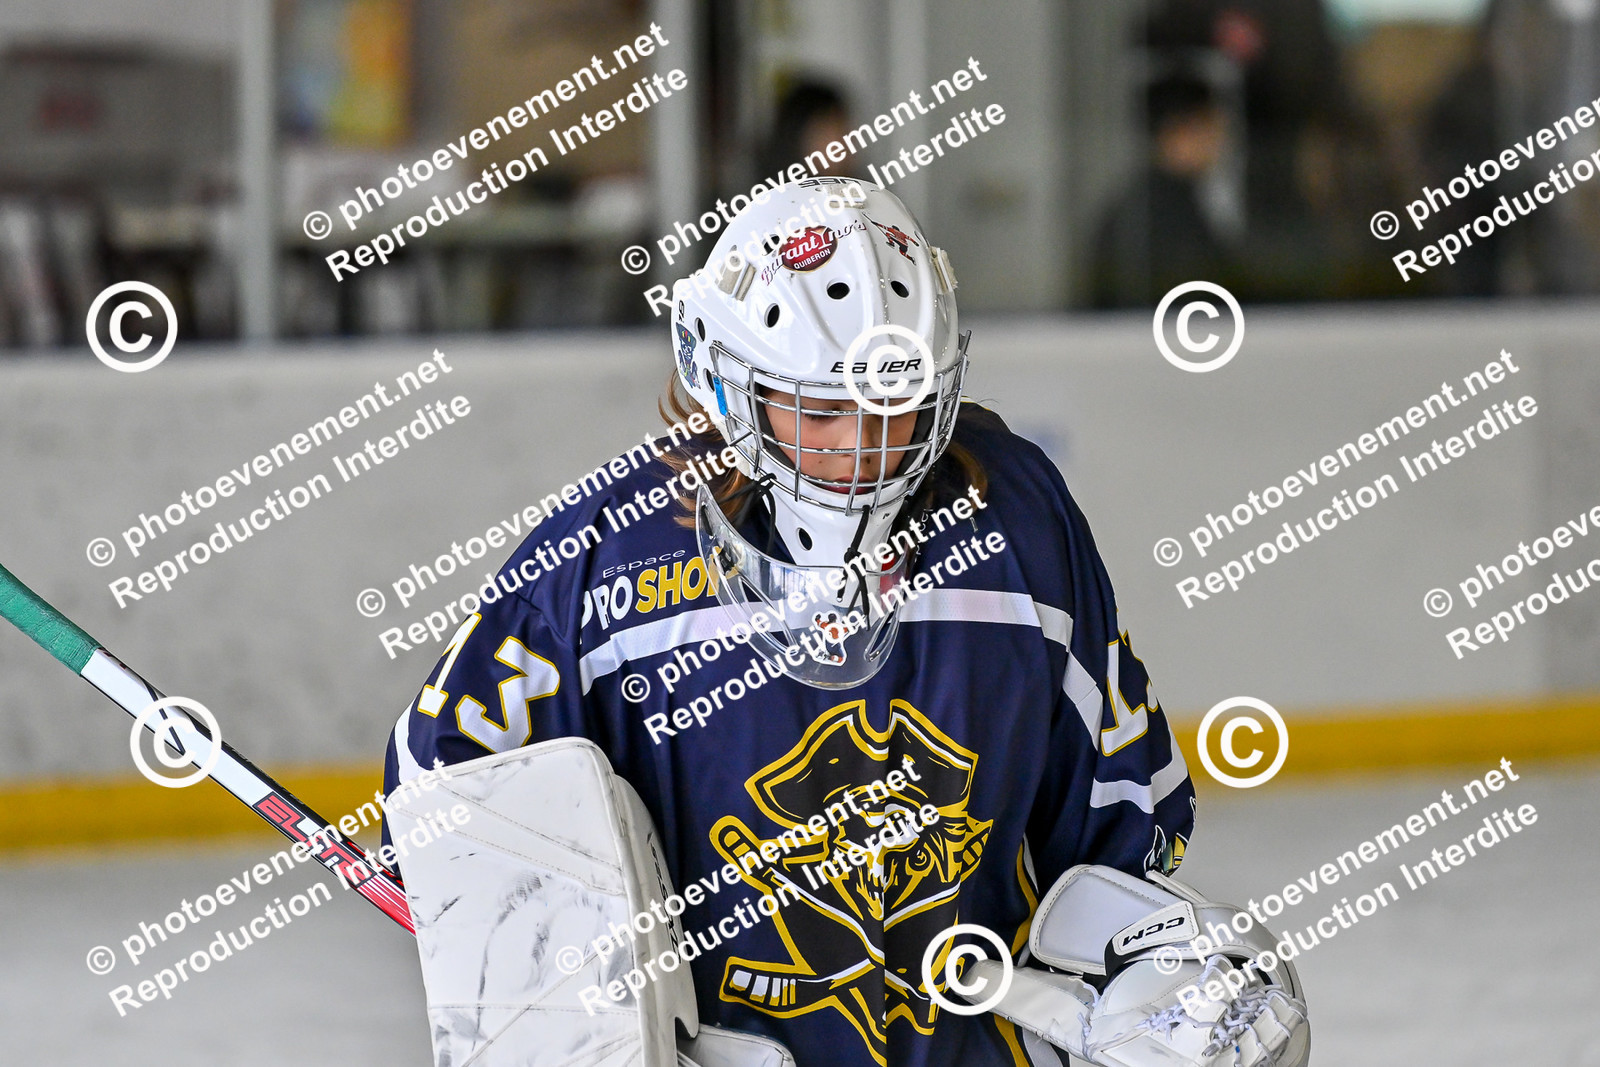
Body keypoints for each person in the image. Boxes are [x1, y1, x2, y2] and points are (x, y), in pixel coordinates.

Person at [383, 180, 1306, 1066]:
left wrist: (1154, 984)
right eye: (821, 410)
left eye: (893, 407)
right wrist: (608, 1025)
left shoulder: (1017, 522)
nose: (860, 449)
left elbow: (1126, 823)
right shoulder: (605, 559)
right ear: (722, 381)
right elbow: (449, 810)